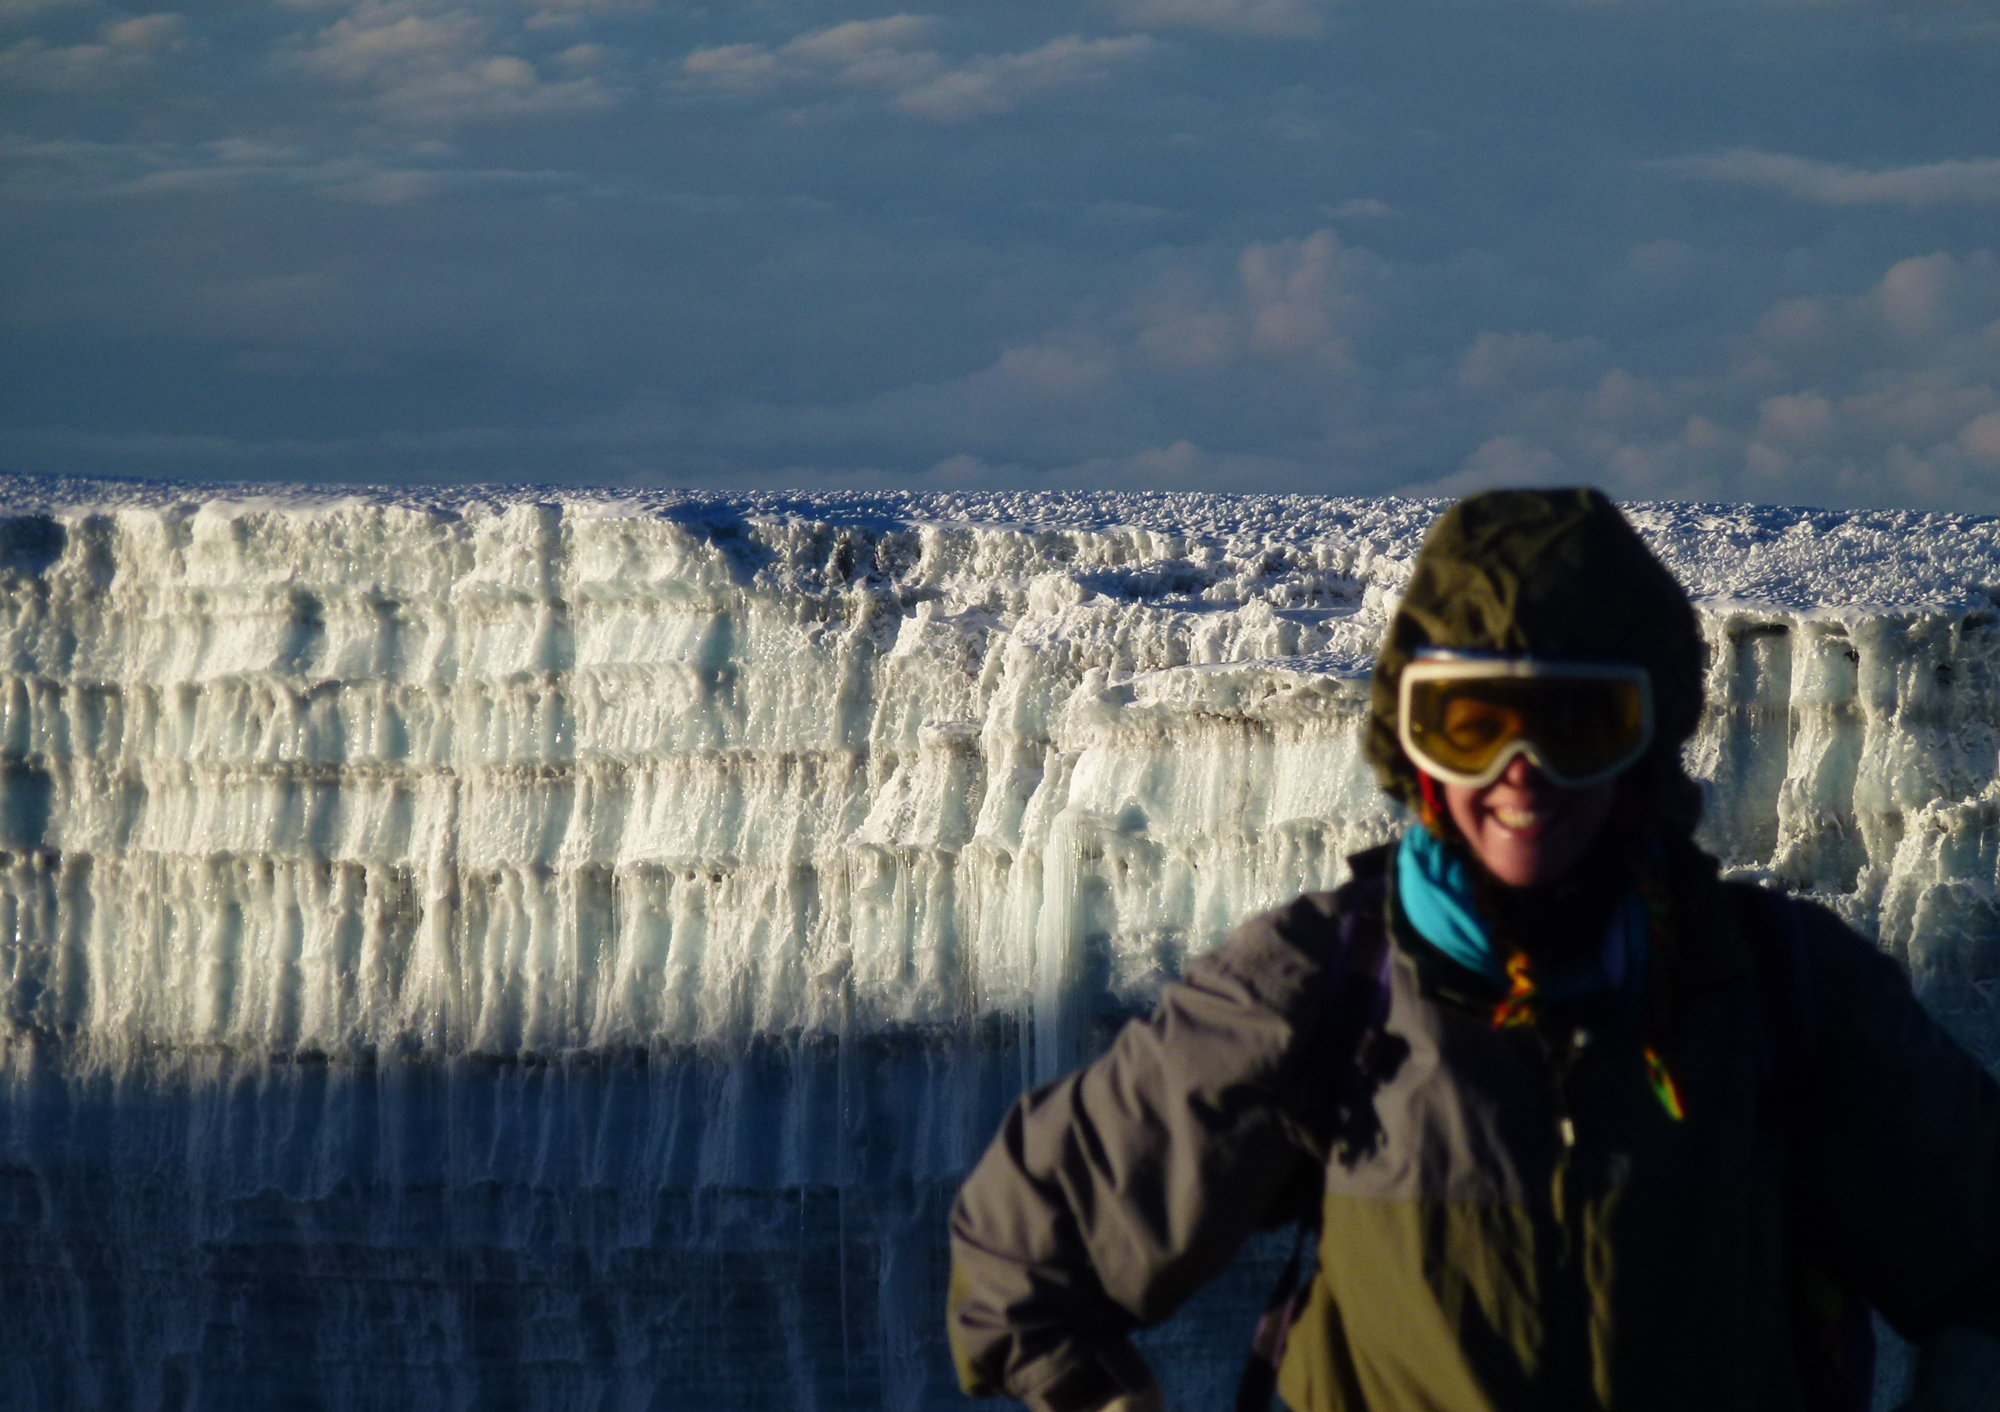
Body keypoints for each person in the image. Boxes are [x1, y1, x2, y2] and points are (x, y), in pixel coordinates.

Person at [945, 489, 2000, 1412]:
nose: (1521, 767)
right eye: (1468, 723)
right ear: (1409, 746)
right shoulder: (1321, 985)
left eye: (1578, 723)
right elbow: (1026, 1241)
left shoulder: (1781, 989)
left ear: (1646, 742)